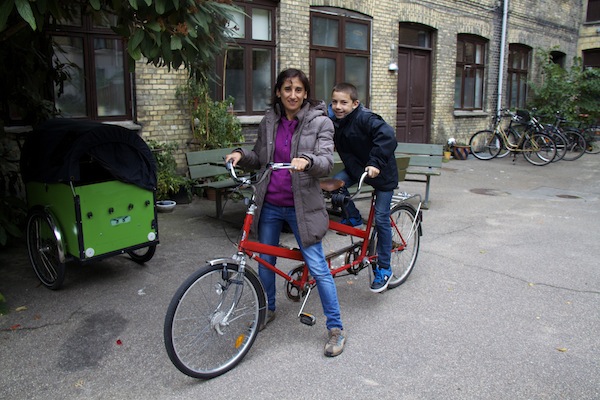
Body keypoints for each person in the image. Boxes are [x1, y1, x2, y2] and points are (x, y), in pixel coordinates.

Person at [225, 68, 346, 357]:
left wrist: (307, 160)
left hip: (302, 205)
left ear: (306, 94)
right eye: (287, 89)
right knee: (265, 260)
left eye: (299, 90)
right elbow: (260, 159)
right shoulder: (270, 120)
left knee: (317, 266)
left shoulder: (320, 122)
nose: (293, 95)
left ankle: (336, 328)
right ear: (279, 91)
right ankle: (267, 310)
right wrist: (242, 156)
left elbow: (326, 161)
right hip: (270, 203)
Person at [330, 82, 398, 293]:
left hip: (381, 172)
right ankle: (353, 217)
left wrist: (376, 163)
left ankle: (385, 268)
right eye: (334, 102)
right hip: (356, 169)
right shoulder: (334, 120)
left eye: (344, 102)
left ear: (355, 103)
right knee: (335, 186)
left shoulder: (365, 118)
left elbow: (387, 136)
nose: (338, 107)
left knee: (381, 218)